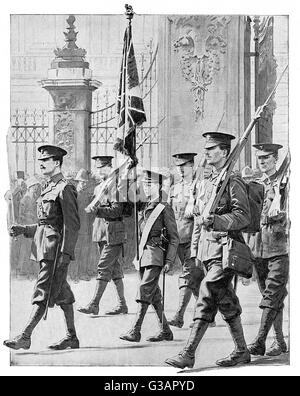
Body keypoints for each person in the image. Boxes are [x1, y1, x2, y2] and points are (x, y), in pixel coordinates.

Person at [165, 132, 251, 369]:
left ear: (224, 152)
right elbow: (197, 222)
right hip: (208, 251)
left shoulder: (232, 182)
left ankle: (188, 353)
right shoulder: (207, 184)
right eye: (206, 149)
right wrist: (194, 252)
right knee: (225, 300)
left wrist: (217, 220)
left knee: (206, 292)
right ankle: (242, 351)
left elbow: (243, 216)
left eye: (211, 149)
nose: (206, 153)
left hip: (226, 250)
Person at [4, 145, 80, 351]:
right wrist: (23, 229)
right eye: (40, 160)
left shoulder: (65, 188)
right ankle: (72, 337)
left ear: (57, 163)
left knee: (43, 290)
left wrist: (66, 254)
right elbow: (45, 224)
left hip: (55, 251)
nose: (41, 163)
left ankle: (25, 336)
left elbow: (71, 225)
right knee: (63, 293)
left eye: (45, 160)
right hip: (44, 247)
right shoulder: (47, 187)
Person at [120, 168, 179, 342]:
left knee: (144, 289)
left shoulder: (163, 207)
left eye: (150, 184)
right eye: (144, 184)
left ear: (159, 186)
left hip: (156, 254)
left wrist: (169, 259)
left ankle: (135, 330)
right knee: (154, 295)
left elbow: (174, 237)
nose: (146, 187)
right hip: (144, 254)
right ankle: (165, 331)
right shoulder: (144, 205)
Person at [247, 143, 289, 357]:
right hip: (259, 248)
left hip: (279, 246)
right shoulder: (255, 185)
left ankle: (260, 341)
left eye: (266, 158)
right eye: (259, 158)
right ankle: (280, 341)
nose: (262, 161)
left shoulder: (286, 183)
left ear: (275, 159)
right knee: (271, 296)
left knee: (272, 295)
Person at [77, 155, 128, 316]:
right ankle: (122, 305)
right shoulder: (99, 188)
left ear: (110, 167)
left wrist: (97, 210)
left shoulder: (117, 186)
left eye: (103, 168)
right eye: (98, 168)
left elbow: (118, 211)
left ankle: (94, 304)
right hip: (101, 232)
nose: (100, 171)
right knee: (114, 269)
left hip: (113, 232)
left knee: (103, 267)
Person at [167, 153, 205, 329]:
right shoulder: (174, 188)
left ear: (192, 166)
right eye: (178, 166)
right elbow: (169, 213)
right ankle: (206, 315)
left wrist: (196, 208)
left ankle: (179, 316)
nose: (181, 170)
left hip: (194, 237)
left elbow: (205, 211)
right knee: (195, 280)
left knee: (187, 276)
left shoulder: (200, 186)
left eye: (185, 166)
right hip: (178, 238)